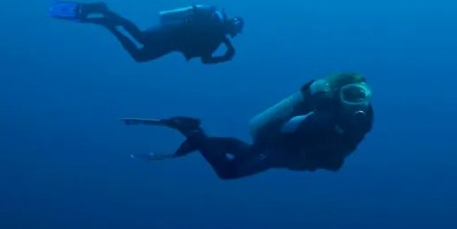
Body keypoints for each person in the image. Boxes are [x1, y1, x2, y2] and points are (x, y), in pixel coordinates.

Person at [124, 71, 375, 180]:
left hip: (288, 153)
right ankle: (193, 132)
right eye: (350, 94)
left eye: (361, 94)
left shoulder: (364, 116)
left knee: (243, 150)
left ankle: (196, 135)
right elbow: (292, 128)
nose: (357, 101)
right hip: (283, 149)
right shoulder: (327, 112)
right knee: (228, 172)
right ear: (339, 95)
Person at [48, 0, 243, 64]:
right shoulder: (215, 29)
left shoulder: (217, 39)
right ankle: (105, 12)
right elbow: (206, 59)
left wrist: (224, 57)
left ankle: (108, 22)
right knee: (140, 37)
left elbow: (205, 59)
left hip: (172, 42)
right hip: (170, 34)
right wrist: (224, 56)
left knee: (139, 55)